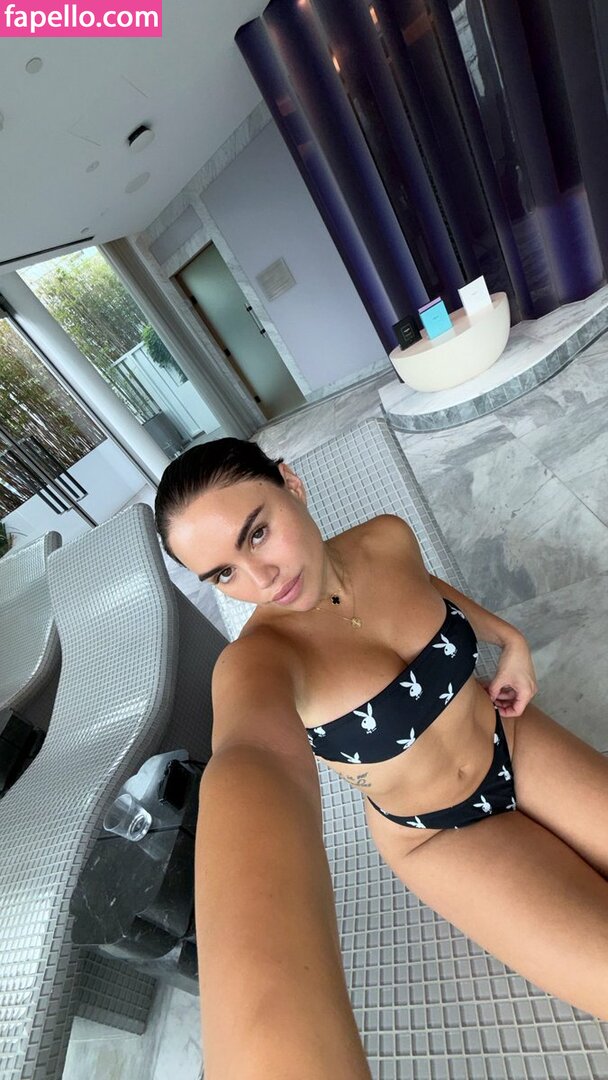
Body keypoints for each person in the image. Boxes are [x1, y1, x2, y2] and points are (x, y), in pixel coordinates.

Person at [154, 437, 608, 1077]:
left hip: (512, 738)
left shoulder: (387, 538)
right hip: (439, 833)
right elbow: (253, 761)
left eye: (257, 534)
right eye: (224, 574)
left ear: (291, 484)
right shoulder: (258, 662)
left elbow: (429, 589)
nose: (261, 580)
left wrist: (508, 639)